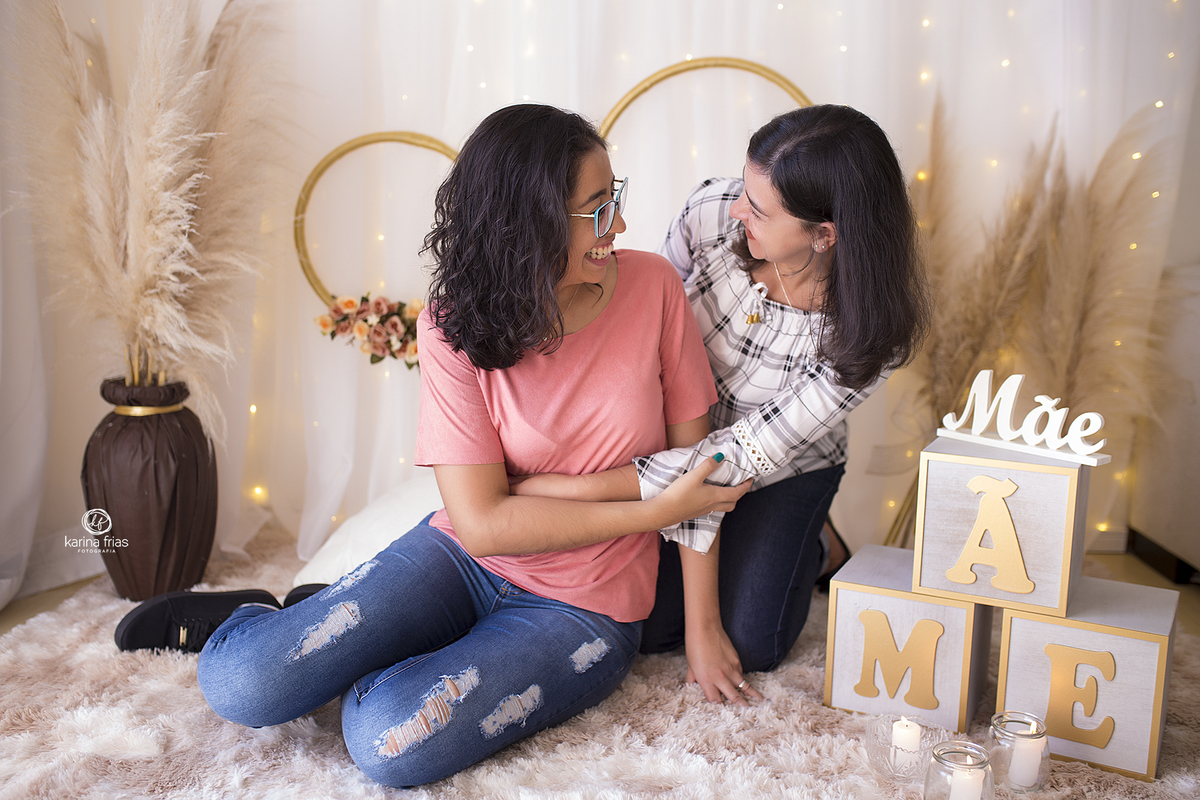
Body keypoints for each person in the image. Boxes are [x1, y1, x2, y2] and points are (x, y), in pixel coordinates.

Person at [111, 103, 749, 788]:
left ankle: (340, 640)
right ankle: (265, 618)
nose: (618, 225)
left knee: (389, 741)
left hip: (587, 608)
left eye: (613, 198)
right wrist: (651, 510)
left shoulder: (654, 288)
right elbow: (483, 525)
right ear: (531, 224)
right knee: (244, 685)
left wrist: (703, 628)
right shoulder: (452, 325)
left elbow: (695, 478)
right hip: (460, 558)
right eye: (597, 209)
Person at [514, 104, 930, 680]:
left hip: (774, 468)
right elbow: (642, 321)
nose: (737, 209)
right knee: (646, 624)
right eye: (744, 189)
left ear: (824, 234)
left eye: (758, 208)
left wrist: (569, 490)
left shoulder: (868, 337)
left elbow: (734, 455)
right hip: (670, 443)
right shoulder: (711, 211)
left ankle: (818, 545)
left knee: (750, 644)